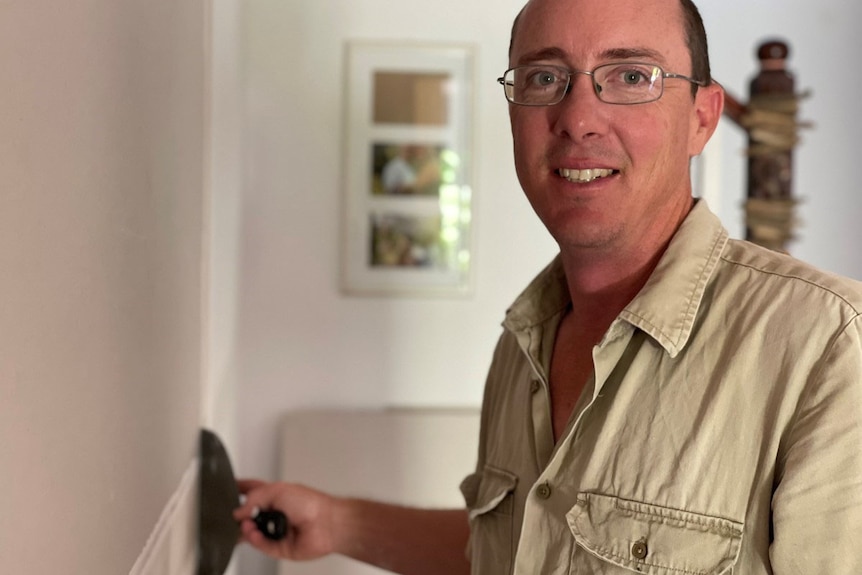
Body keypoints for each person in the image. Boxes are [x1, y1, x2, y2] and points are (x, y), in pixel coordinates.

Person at [235, 0, 862, 573]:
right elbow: (524, 548)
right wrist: (341, 523)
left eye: (631, 76)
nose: (579, 118)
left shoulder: (830, 348)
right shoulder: (524, 343)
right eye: (543, 78)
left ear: (702, 118)